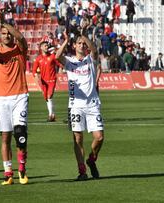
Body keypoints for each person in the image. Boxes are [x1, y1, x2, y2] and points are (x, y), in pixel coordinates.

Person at [0, 11, 29, 185]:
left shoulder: (20, 49)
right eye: (3, 34)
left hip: (20, 96)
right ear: (0, 36)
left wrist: (5, 23)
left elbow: (22, 37)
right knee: (5, 138)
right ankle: (8, 173)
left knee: (20, 133)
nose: (7, 35)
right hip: (2, 99)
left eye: (8, 33)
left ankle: (22, 170)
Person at [55, 24, 104, 181]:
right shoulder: (69, 61)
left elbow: (95, 51)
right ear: (74, 46)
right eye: (80, 43)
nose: (82, 45)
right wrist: (66, 40)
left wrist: (85, 36)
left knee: (99, 137)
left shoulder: (91, 60)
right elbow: (57, 57)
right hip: (75, 105)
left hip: (92, 104)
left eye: (84, 44)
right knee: (78, 139)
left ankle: (91, 159)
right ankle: (82, 170)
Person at [32, 40, 58, 122]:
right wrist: (35, 75)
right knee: (46, 98)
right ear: (41, 47)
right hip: (43, 82)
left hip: (52, 80)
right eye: (45, 46)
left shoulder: (53, 56)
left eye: (47, 46)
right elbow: (34, 71)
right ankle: (52, 114)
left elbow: (60, 64)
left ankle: (51, 115)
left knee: (49, 96)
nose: (47, 47)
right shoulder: (38, 59)